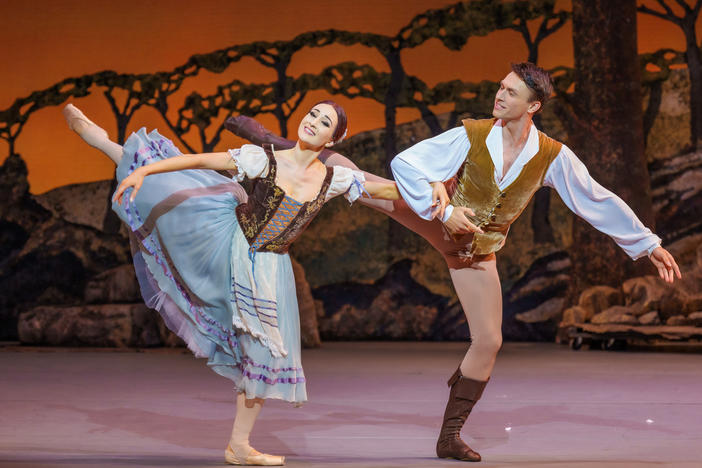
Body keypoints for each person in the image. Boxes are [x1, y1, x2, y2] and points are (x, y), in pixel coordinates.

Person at [225, 62, 682, 463]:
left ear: (533, 106)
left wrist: (646, 243)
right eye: (500, 87)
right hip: (434, 219)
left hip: (475, 252)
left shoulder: (552, 156)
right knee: (350, 176)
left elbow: (594, 199)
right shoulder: (473, 133)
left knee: (489, 341)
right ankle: (271, 145)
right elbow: (406, 162)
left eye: (511, 92)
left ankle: (449, 436)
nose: (499, 95)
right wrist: (441, 207)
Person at [62, 100, 418, 466]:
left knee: (261, 354)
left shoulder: (334, 179)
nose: (313, 122)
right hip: (228, 242)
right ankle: (105, 143)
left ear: (336, 137)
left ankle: (239, 445)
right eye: (312, 113)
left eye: (324, 121)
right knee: (168, 185)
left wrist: (444, 202)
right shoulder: (263, 159)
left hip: (269, 268)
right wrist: (144, 172)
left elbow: (390, 191)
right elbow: (198, 161)